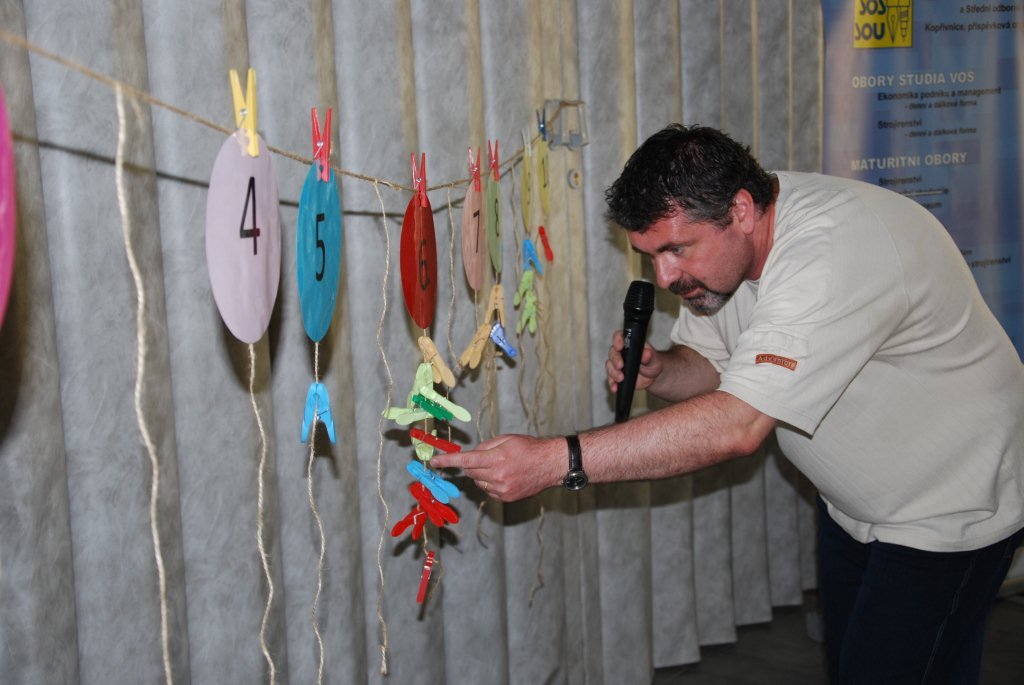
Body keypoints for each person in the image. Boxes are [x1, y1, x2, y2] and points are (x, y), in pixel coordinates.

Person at [432, 124, 1024, 683]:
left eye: (676, 249)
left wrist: (553, 461)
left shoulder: (829, 252)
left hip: (948, 505)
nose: (665, 276)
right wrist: (663, 370)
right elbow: (715, 368)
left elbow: (736, 426)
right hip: (858, 504)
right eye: (650, 255)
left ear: (740, 210)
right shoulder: (729, 251)